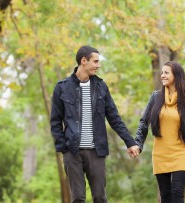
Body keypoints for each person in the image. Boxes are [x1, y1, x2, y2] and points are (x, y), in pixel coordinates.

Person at [50, 45, 140, 203]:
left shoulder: (101, 87)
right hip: (72, 151)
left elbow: (114, 117)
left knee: (99, 197)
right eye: (95, 61)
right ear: (83, 61)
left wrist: (130, 142)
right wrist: (63, 148)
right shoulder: (62, 88)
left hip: (96, 152)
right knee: (78, 198)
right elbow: (55, 121)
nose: (98, 65)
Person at [135, 61, 185, 203]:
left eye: (166, 72)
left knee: (177, 194)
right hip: (160, 153)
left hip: (181, 152)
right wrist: (138, 144)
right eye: (162, 73)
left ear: (176, 76)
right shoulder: (155, 97)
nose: (162, 75)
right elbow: (143, 123)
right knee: (165, 196)